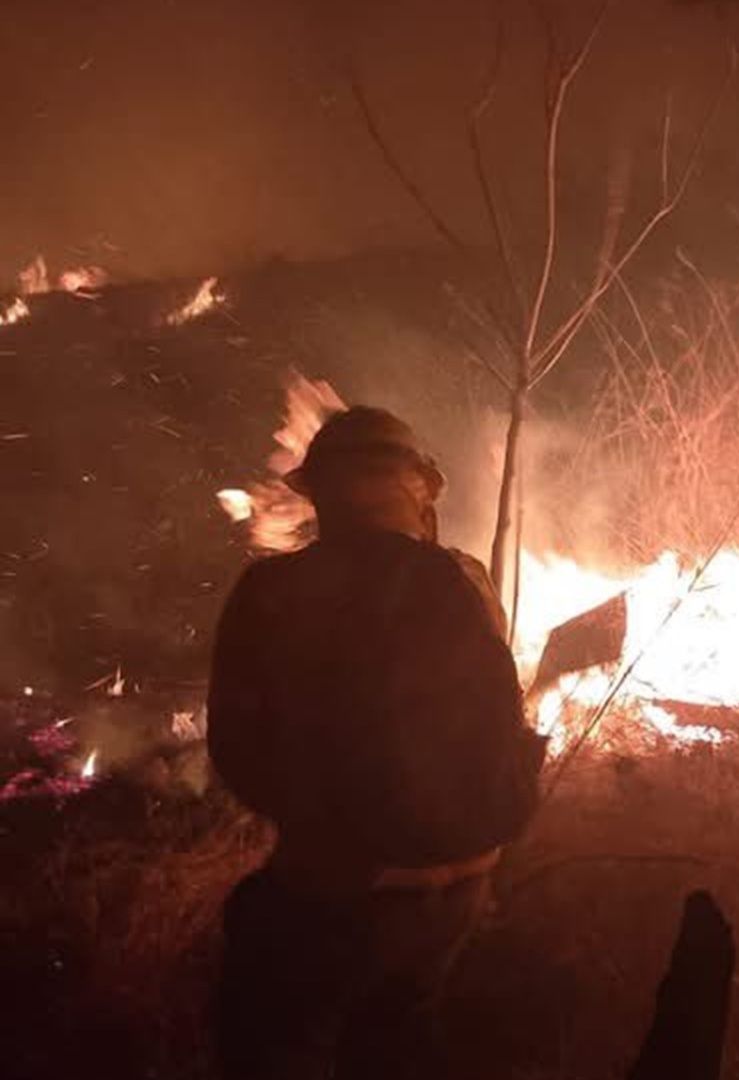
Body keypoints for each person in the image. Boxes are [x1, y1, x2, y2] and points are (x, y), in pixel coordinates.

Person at [206, 406, 546, 1079]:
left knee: (267, 1031)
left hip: (343, 885)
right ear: (418, 489)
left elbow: (237, 750)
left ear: (323, 493)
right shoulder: (468, 580)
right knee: (397, 1037)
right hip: (464, 880)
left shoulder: (274, 589)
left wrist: (318, 824)